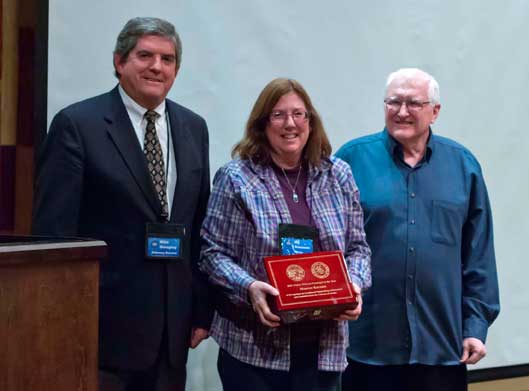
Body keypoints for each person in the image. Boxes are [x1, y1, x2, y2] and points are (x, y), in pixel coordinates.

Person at [32, 17, 211, 391]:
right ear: (119, 61)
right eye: (145, 55)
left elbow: (198, 227)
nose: (156, 67)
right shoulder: (77, 125)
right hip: (102, 329)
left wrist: (201, 309)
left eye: (167, 58)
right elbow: (54, 234)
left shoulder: (193, 127)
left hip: (171, 332)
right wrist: (62, 319)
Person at [199, 78, 371, 391]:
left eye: (298, 114)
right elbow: (212, 254)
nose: (289, 123)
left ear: (310, 121)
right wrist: (248, 287)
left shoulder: (338, 174)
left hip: (324, 349)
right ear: (262, 124)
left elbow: (358, 248)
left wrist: (354, 285)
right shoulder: (236, 178)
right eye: (278, 115)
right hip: (255, 350)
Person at [336, 68, 500, 391]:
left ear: (434, 111)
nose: (401, 112)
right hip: (367, 347)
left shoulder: (463, 166)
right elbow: (328, 244)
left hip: (442, 347)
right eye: (393, 102)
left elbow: (478, 255)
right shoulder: (350, 161)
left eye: (413, 103)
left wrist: (475, 326)